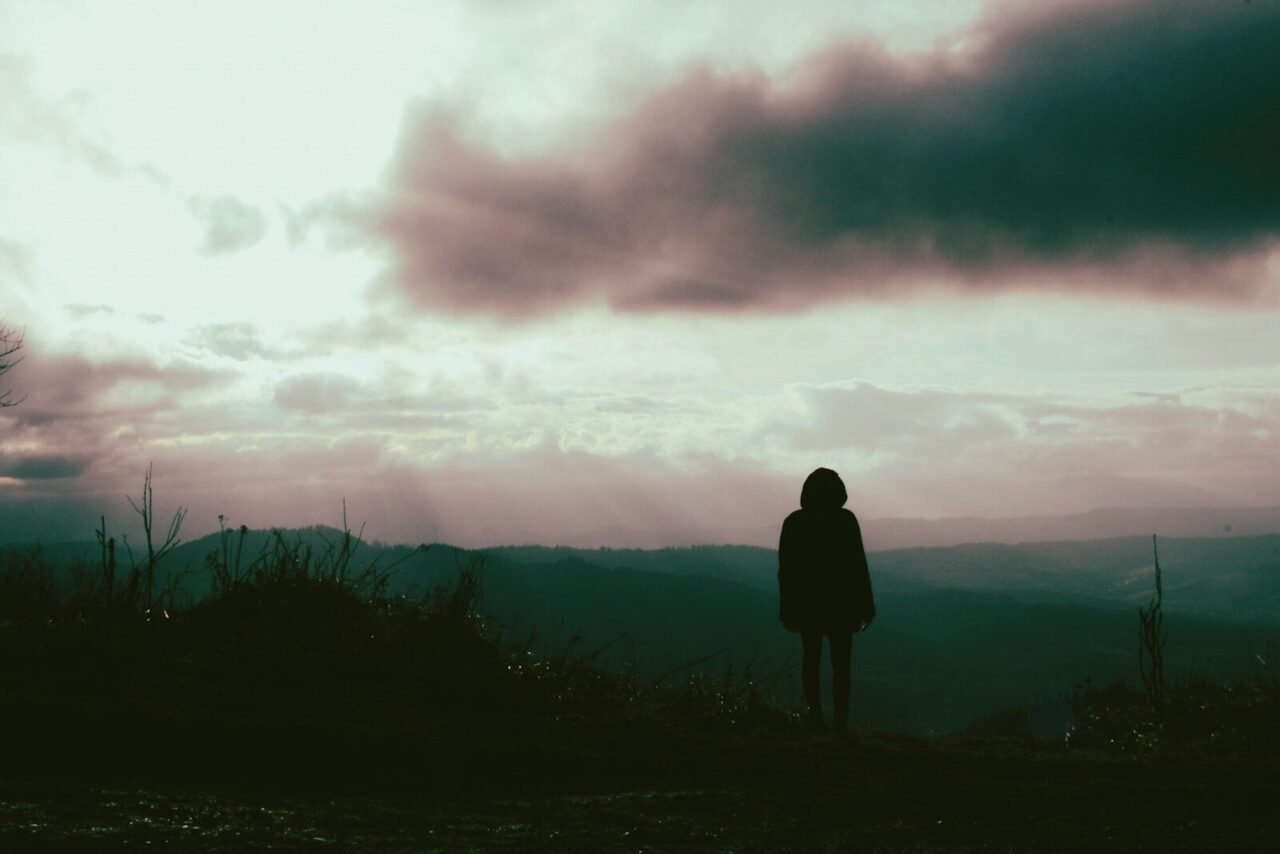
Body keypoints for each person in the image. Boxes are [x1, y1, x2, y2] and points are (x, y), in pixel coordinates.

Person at [777, 467, 875, 735]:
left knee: (811, 660)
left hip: (809, 606)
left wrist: (787, 608)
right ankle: (840, 723)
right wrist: (867, 605)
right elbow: (858, 565)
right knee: (841, 665)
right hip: (842, 606)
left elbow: (787, 572)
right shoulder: (845, 521)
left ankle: (816, 719)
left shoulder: (794, 523)